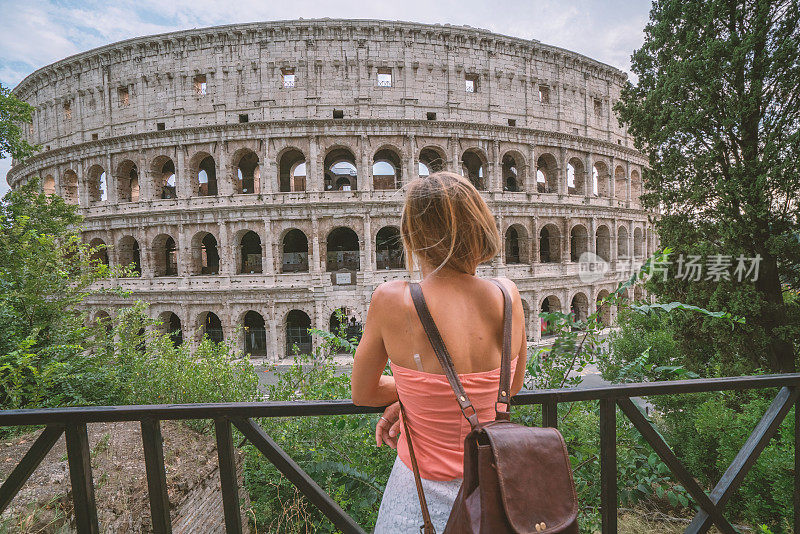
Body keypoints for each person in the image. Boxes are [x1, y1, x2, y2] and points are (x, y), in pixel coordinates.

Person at [351, 171, 528, 532]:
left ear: (413, 234)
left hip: (417, 498)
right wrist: (426, 396)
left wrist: (419, 398)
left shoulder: (392, 299)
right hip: (493, 494)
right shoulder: (508, 295)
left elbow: (363, 392)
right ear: (480, 227)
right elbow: (511, 387)